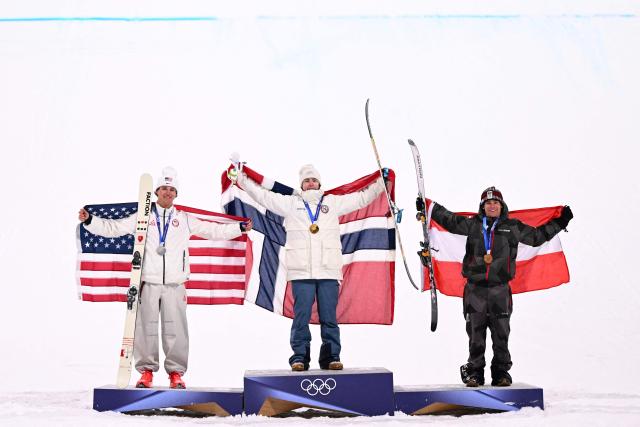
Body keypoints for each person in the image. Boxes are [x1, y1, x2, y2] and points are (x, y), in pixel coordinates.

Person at [78, 167, 252, 389]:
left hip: (175, 283)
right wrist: (91, 220)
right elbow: (114, 228)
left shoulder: (185, 218)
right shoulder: (143, 217)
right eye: (164, 189)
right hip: (148, 282)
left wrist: (238, 228)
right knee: (145, 328)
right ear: (156, 192)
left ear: (176, 194)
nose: (168, 192)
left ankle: (176, 374)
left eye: (172, 189)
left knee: (176, 330)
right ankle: (147, 372)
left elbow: (212, 230)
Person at [233, 163, 386, 371]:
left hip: (328, 270)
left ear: (320, 183)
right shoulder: (290, 204)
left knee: (329, 317)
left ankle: (331, 357)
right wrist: (240, 178)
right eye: (306, 180)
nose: (311, 183)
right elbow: (263, 197)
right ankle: (299, 357)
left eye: (314, 179)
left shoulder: (332, 203)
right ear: (302, 185)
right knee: (301, 317)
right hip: (301, 271)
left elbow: (361, 198)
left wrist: (381, 183)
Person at [424, 186, 573, 387]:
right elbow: (449, 220)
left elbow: (537, 237)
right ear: (482, 207)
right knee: (476, 334)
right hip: (474, 289)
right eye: (488, 203)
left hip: (500, 290)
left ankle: (501, 373)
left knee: (501, 334)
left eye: (495, 202)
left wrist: (560, 222)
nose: (492, 205)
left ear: (502, 206)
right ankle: (475, 372)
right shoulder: (472, 225)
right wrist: (429, 208)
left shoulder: (512, 227)